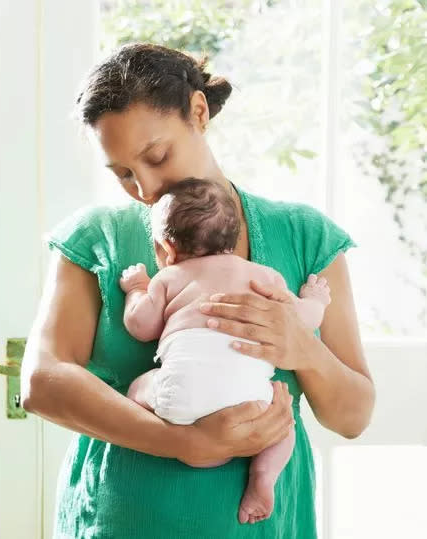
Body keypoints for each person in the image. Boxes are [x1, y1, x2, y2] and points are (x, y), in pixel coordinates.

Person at [19, 42, 375, 538]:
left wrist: (302, 348)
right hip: (123, 522)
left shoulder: (305, 236)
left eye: (157, 156)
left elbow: (352, 417)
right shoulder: (95, 237)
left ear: (199, 112)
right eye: (122, 174)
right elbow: (41, 382)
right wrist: (180, 442)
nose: (145, 189)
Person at [120, 178, 332, 524]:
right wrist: (315, 300)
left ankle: (175, 439)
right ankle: (263, 477)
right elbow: (303, 321)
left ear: (168, 248)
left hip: (181, 399)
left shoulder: (170, 278)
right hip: (252, 402)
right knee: (284, 427)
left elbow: (140, 326)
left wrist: (137, 289)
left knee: (139, 388)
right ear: (234, 241)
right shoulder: (265, 277)